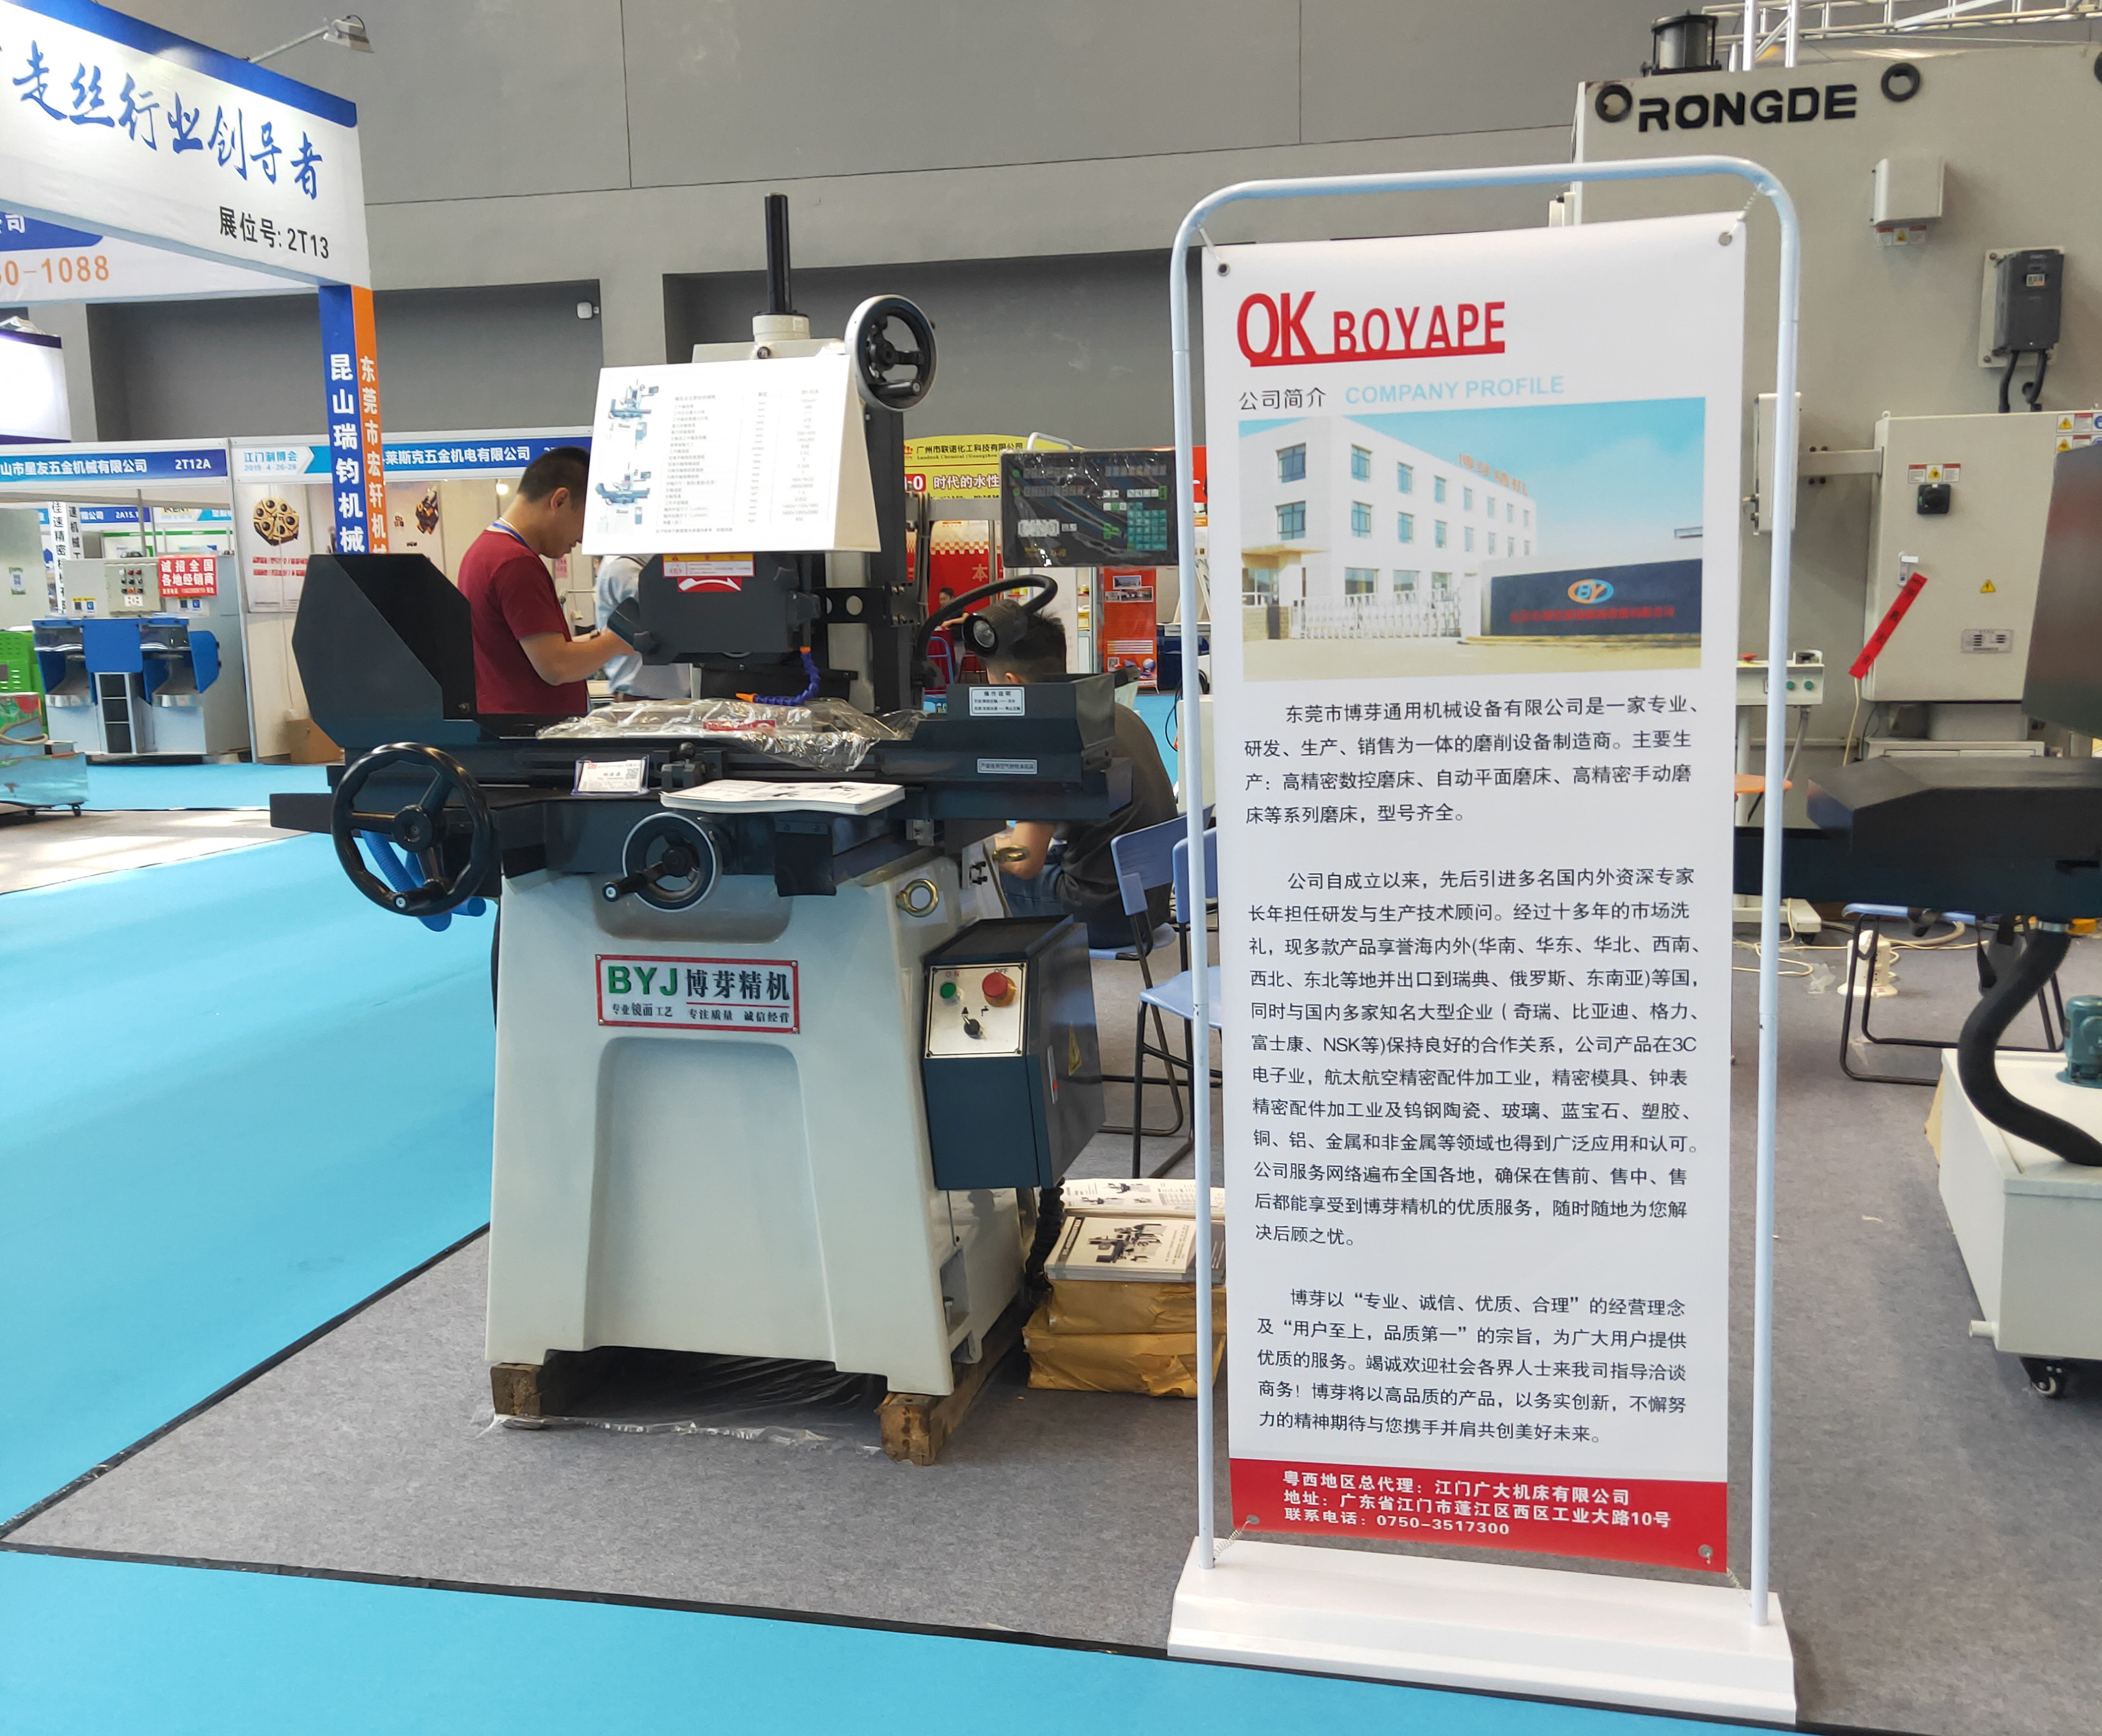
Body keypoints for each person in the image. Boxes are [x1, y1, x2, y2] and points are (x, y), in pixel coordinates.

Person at [985, 614, 1178, 947]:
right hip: (1150, 905)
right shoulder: (1117, 712)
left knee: (978, 875)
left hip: (1105, 916)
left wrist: (979, 851)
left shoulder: (1047, 738)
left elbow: (1024, 860)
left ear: (1012, 684)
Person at [457, 446, 622, 718]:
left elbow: (532, 652)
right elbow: (556, 667)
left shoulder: (485, 551)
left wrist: (599, 639)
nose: (583, 540)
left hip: (510, 723)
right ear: (560, 501)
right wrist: (619, 642)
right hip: (532, 731)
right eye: (587, 521)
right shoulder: (514, 562)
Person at [593, 553, 692, 699]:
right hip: (642, 697)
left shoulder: (638, 564)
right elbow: (663, 612)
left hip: (662, 694)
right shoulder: (624, 567)